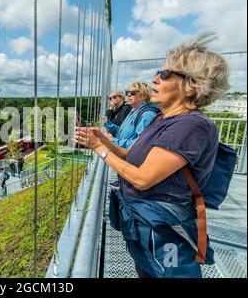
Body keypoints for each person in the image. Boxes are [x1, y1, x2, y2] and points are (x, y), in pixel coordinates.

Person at [75, 32, 229, 278]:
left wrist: (99, 148)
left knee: (167, 274)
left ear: (193, 85)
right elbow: (133, 156)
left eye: (165, 74)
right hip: (147, 222)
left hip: (164, 229)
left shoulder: (191, 125)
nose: (155, 79)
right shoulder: (163, 118)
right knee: (148, 271)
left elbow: (143, 177)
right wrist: (106, 142)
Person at [103, 82, 160, 188]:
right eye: (127, 92)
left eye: (132, 93)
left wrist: (113, 140)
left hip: (134, 167)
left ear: (144, 95)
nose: (128, 95)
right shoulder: (134, 111)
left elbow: (140, 145)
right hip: (128, 163)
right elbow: (121, 132)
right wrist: (108, 124)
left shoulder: (147, 115)